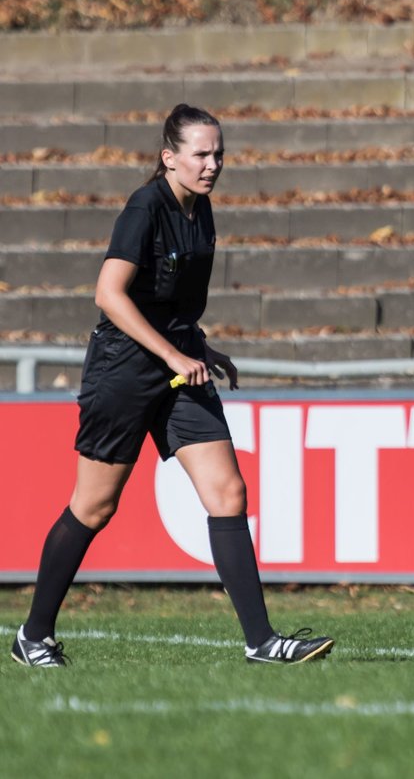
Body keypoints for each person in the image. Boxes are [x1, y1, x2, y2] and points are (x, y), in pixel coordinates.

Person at [11, 104, 334, 668]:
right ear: (170, 157)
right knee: (94, 505)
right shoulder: (145, 206)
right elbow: (109, 294)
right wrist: (172, 353)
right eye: (201, 154)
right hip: (124, 370)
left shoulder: (201, 209)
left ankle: (262, 642)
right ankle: (32, 636)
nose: (213, 165)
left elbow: (172, 304)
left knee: (228, 494)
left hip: (181, 368)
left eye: (219, 154)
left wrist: (200, 348)